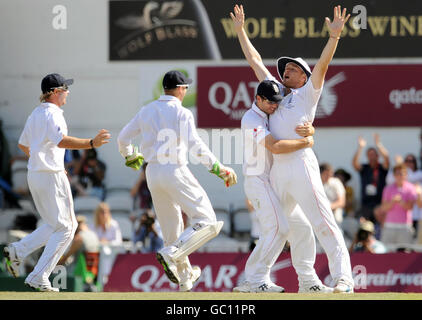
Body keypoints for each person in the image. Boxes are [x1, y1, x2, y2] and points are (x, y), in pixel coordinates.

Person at [230, 4, 354, 293]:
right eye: (285, 67)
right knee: (280, 229)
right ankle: (260, 280)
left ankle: (343, 279)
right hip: (277, 172)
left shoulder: (308, 94)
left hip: (300, 165)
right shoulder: (274, 92)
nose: (286, 70)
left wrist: (334, 37)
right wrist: (240, 32)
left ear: (305, 78)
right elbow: (254, 59)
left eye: (294, 68)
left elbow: (322, 66)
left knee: (323, 223)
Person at [117, 70, 237, 292]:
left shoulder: (146, 110)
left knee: (173, 232)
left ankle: (185, 279)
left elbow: (123, 138)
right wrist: (218, 168)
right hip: (174, 169)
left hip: (151, 173)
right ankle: (171, 254)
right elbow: (195, 145)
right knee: (208, 221)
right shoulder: (182, 113)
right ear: (181, 89)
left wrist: (131, 155)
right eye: (186, 88)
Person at [3, 73, 110, 292]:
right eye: (64, 89)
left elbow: (24, 145)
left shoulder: (35, 114)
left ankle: (18, 251)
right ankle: (38, 276)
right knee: (68, 228)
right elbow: (61, 141)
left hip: (35, 174)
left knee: (54, 226)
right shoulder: (54, 114)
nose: (67, 93)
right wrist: (92, 143)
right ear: (53, 93)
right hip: (51, 174)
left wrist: (41, 156)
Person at [236, 79, 332, 293]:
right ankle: (254, 280)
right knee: (279, 228)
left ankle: (308, 282)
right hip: (258, 182)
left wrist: (311, 130)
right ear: (257, 99)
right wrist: (306, 142)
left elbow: (294, 125)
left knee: (303, 229)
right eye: (270, 102)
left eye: (277, 102)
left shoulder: (269, 113)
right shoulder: (251, 118)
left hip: (273, 182)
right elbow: (275, 147)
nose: (274, 106)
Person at [352, 134, 390, 223]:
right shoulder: (365, 168)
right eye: (369, 155)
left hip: (379, 204)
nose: (371, 156)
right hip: (366, 205)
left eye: (373, 154)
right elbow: (354, 163)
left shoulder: (381, 168)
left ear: (377, 156)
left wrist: (378, 145)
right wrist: (360, 148)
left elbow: (387, 159)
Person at [58, 215, 100, 291]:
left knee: (58, 269)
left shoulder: (79, 238)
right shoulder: (94, 235)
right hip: (93, 272)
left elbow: (65, 258)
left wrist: (54, 265)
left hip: (79, 271)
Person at [379, 163, 417, 245]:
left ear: (406, 175)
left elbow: (410, 207)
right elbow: (384, 208)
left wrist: (401, 202)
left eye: (402, 174)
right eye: (397, 174)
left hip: (405, 226)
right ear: (394, 175)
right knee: (387, 252)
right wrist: (393, 201)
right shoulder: (388, 188)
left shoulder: (410, 188)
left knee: (406, 253)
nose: (400, 176)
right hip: (390, 226)